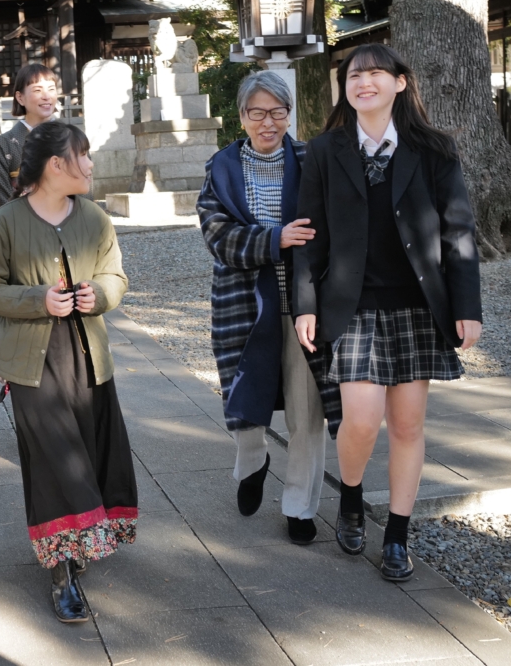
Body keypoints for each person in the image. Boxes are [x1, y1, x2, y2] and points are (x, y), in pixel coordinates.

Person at [293, 43, 482, 582]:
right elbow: (309, 237)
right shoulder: (325, 151)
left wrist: (467, 307)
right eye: (355, 75)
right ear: (345, 88)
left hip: (416, 305)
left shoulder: (434, 149)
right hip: (351, 306)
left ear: (401, 82)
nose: (364, 82)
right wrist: (306, 304)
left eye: (376, 73)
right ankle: (350, 498)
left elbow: (458, 232)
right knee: (360, 418)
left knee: (407, 423)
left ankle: (397, 535)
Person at [0, 120, 136, 624]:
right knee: (53, 462)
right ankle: (60, 572)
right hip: (30, 362)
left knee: (90, 449)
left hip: (88, 353)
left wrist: (100, 294)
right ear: (56, 165)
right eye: (82, 156)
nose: (90, 165)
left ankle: (81, 539)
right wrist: (37, 299)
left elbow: (116, 276)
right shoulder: (4, 222)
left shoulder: (95, 219)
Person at [197, 70, 341, 545]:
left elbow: (328, 231)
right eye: (257, 113)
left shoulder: (309, 159)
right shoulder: (220, 167)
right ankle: (252, 461)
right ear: (242, 117)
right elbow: (218, 239)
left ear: (288, 115)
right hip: (242, 302)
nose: (268, 122)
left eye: (278, 112)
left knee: (307, 409)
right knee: (243, 399)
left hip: (304, 303)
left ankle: (301, 504)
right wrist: (275, 237)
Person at [0, 63, 59, 211]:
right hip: (22, 229)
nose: (46, 96)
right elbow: (1, 200)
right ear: (20, 97)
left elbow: (84, 189)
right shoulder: (4, 144)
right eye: (38, 90)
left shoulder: (73, 138)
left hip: (67, 228)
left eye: (51, 89)